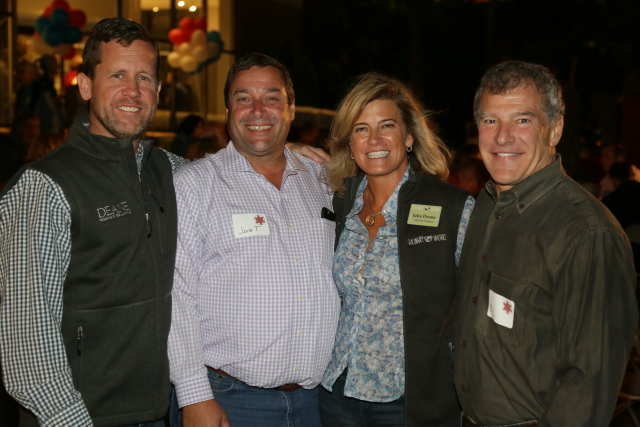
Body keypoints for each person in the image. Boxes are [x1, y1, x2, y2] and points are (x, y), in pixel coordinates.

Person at [0, 17, 188, 427]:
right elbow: (26, 342)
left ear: (158, 90)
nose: (133, 90)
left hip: (163, 411)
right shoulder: (44, 186)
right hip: (78, 417)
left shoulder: (174, 172)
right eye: (117, 75)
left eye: (144, 77)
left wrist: (293, 156)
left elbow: (237, 178)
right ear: (85, 85)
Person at [453, 60, 638, 427]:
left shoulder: (587, 234)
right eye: (490, 120)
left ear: (555, 130)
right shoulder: (486, 205)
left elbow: (588, 385)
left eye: (522, 120)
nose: (502, 137)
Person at [167, 53, 340, 427]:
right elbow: (176, 296)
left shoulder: (324, 180)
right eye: (244, 98)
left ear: (291, 108)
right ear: (228, 110)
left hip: (317, 404)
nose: (258, 110)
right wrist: (194, 397)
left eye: (272, 98)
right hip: (230, 401)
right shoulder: (195, 185)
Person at [319, 73, 474, 427]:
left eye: (386, 125)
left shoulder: (451, 208)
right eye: (360, 129)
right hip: (337, 395)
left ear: (409, 136)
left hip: (409, 402)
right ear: (349, 143)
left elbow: (476, 307)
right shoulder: (340, 202)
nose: (374, 139)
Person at [0, 112, 41, 189]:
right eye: (28, 126)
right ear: (18, 127)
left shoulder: (38, 150)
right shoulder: (5, 151)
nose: (32, 130)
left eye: (36, 127)